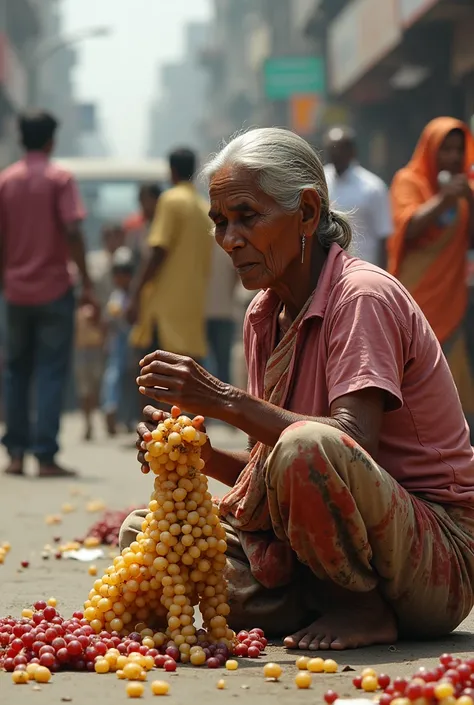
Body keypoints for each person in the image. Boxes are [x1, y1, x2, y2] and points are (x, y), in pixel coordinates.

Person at [121, 127, 474, 651]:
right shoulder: (264, 314)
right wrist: (200, 456)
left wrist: (221, 399)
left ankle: (359, 607)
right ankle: (315, 598)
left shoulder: (361, 297)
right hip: (328, 546)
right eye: (220, 222)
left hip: (431, 556)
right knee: (150, 535)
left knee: (307, 444)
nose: (230, 239)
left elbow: (343, 445)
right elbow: (278, 477)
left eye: (248, 216)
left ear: (307, 213)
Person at [0, 110, 94, 477]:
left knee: (16, 372)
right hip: (54, 289)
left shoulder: (6, 182)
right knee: (52, 372)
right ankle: (45, 454)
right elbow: (72, 231)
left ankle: (17, 453)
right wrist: (86, 282)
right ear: (51, 141)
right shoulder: (60, 179)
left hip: (16, 292)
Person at [388, 117, 474, 434]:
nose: (452, 157)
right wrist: (445, 199)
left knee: (455, 388)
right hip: (415, 302)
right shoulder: (409, 181)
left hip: (451, 304)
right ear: (430, 150)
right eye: (445, 149)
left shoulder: (465, 188)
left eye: (458, 150)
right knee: (413, 379)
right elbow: (408, 227)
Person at [128, 148, 212, 366]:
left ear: (172, 171)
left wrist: (135, 293)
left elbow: (158, 251)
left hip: (164, 313)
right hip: (192, 310)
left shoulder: (170, 200)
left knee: (152, 380)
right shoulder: (204, 209)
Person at [324, 126, 392, 268]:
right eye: (332, 148)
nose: (336, 153)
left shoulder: (373, 187)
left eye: (340, 148)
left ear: (352, 152)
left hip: (363, 267)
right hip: (327, 268)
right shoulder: (320, 181)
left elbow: (383, 235)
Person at [101, 246, 136, 435]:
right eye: (119, 272)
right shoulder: (116, 296)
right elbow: (109, 318)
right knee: (114, 376)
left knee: (133, 382)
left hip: (135, 343)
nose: (122, 276)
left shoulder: (136, 295)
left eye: (126, 271)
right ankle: (111, 408)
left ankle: (129, 418)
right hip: (118, 344)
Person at [205, 234, 238, 386]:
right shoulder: (226, 245)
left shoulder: (199, 245)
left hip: (204, 313)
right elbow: (236, 274)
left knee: (206, 366)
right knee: (222, 366)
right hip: (225, 311)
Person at [74, 302, 105, 441]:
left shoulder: (97, 309)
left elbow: (104, 329)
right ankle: (88, 423)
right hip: (81, 351)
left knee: (96, 390)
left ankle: (100, 420)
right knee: (85, 392)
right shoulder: (75, 310)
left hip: (95, 350)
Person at [123, 183, 162, 270]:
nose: (143, 205)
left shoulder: (165, 225)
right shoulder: (134, 227)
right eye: (140, 200)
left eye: (146, 200)